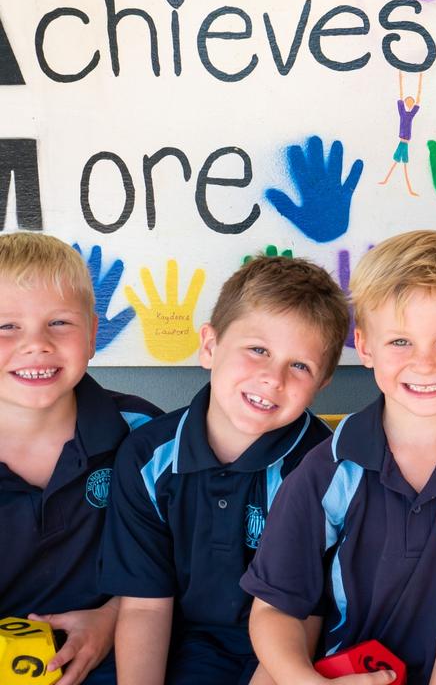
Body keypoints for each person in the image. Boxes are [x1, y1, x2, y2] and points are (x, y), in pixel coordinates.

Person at [242, 231, 436, 685]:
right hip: (339, 670)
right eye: (400, 342)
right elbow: (273, 610)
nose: (425, 363)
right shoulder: (330, 468)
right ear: (365, 346)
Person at [99, 256, 348, 684]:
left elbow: (303, 615)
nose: (273, 378)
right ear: (210, 347)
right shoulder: (147, 456)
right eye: (258, 350)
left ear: (322, 383)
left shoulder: (324, 468)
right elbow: (143, 606)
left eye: (300, 366)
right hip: (183, 647)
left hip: (287, 658)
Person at [0, 232, 161, 685]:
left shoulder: (142, 434)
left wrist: (111, 620)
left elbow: (178, 565)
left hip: (114, 654)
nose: (36, 344)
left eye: (59, 324)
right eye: (5, 326)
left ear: (92, 334)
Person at [378, 71, 425, 196]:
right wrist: (400, 77)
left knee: (400, 164)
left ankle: (403, 186)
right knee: (399, 164)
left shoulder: (411, 114)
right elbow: (401, 94)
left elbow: (418, 99)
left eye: (410, 102)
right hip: (403, 142)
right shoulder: (402, 112)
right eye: (408, 102)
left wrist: (420, 79)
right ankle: (391, 181)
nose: (409, 103)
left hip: (405, 143)